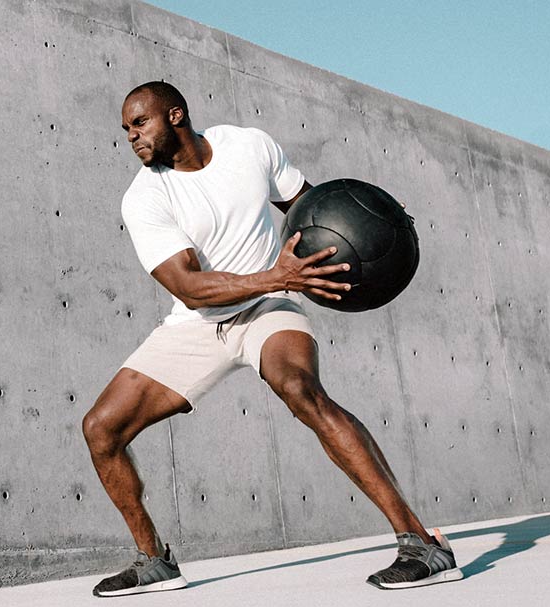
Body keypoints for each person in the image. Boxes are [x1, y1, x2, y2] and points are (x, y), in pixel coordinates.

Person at [81, 81, 463, 597]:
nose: (131, 136)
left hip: (270, 309)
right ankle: (153, 560)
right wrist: (278, 275)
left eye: (139, 123)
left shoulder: (249, 147)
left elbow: (313, 210)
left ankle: (422, 545)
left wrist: (348, 256)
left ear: (176, 115)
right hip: (201, 320)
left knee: (302, 392)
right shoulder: (145, 197)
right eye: (126, 129)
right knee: (101, 428)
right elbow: (190, 288)